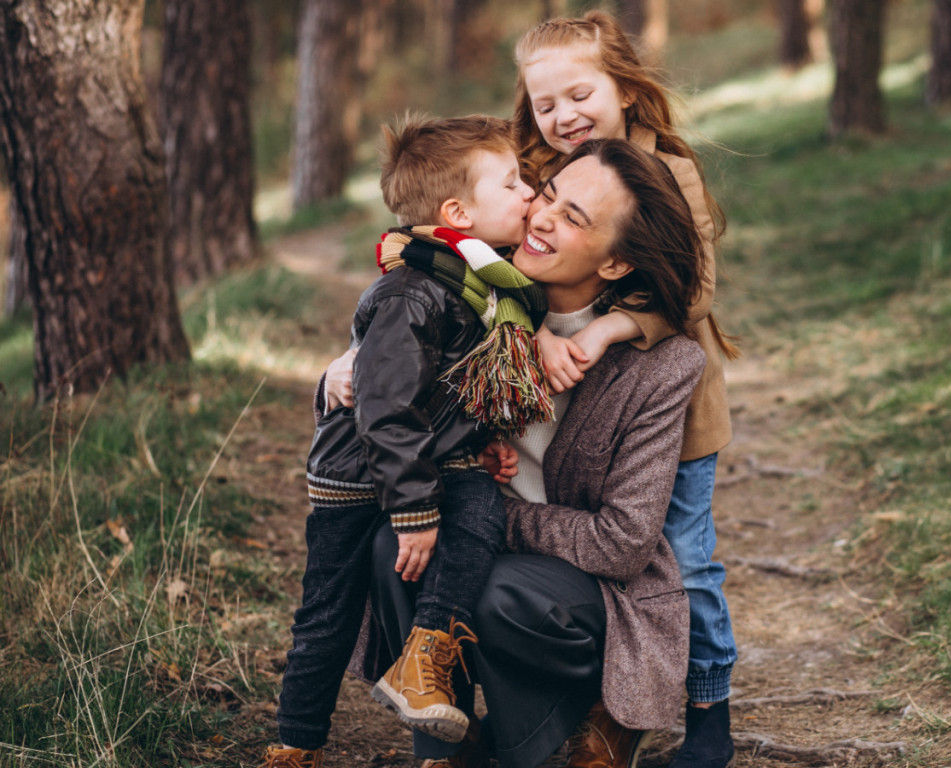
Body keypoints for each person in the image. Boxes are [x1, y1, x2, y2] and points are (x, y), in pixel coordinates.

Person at [333, 139, 708, 768]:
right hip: (481, 539)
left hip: (588, 590)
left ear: (616, 263)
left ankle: (563, 726)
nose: (541, 216)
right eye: (549, 195)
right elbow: (394, 325)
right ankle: (442, 747)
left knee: (490, 583)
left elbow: (621, 543)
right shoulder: (477, 300)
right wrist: (344, 366)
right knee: (394, 546)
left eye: (573, 218)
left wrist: (485, 522)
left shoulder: (661, 366)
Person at [262, 114, 540, 768]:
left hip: (435, 460)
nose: (531, 192)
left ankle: (427, 664)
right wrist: (413, 513)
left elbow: (458, 380)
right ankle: (296, 741)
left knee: (478, 512)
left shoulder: (481, 286)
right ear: (457, 212)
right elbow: (386, 407)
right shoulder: (413, 291)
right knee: (328, 612)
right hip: (359, 475)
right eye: (513, 183)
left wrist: (490, 434)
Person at [512, 14, 739, 768]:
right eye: (546, 105)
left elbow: (696, 290)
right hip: (584, 418)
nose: (564, 117)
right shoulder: (542, 173)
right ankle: (599, 700)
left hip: (674, 415)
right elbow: (498, 256)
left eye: (580, 94)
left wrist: (611, 329)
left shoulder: (670, 172)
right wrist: (537, 330)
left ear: (625, 88)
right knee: (588, 542)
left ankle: (708, 712)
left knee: (685, 561)